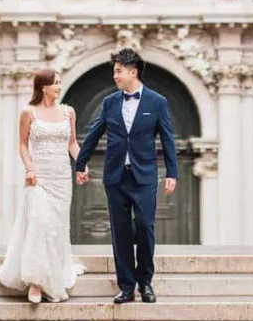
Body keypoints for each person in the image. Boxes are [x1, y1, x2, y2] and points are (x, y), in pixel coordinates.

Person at [74, 49, 178, 305]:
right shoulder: (110, 102)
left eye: (118, 71)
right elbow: (95, 131)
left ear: (133, 71)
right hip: (116, 177)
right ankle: (126, 286)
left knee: (144, 226)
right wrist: (81, 162)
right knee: (120, 232)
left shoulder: (157, 102)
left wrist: (172, 172)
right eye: (114, 71)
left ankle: (145, 283)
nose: (115, 76)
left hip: (145, 177)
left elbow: (167, 139)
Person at [0, 70, 84, 305]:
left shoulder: (68, 112)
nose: (59, 87)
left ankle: (51, 271)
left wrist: (81, 165)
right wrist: (30, 168)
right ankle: (36, 282)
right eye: (55, 83)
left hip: (62, 177)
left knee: (55, 228)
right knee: (40, 223)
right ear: (42, 87)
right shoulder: (28, 112)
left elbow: (72, 143)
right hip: (39, 178)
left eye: (60, 83)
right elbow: (23, 146)